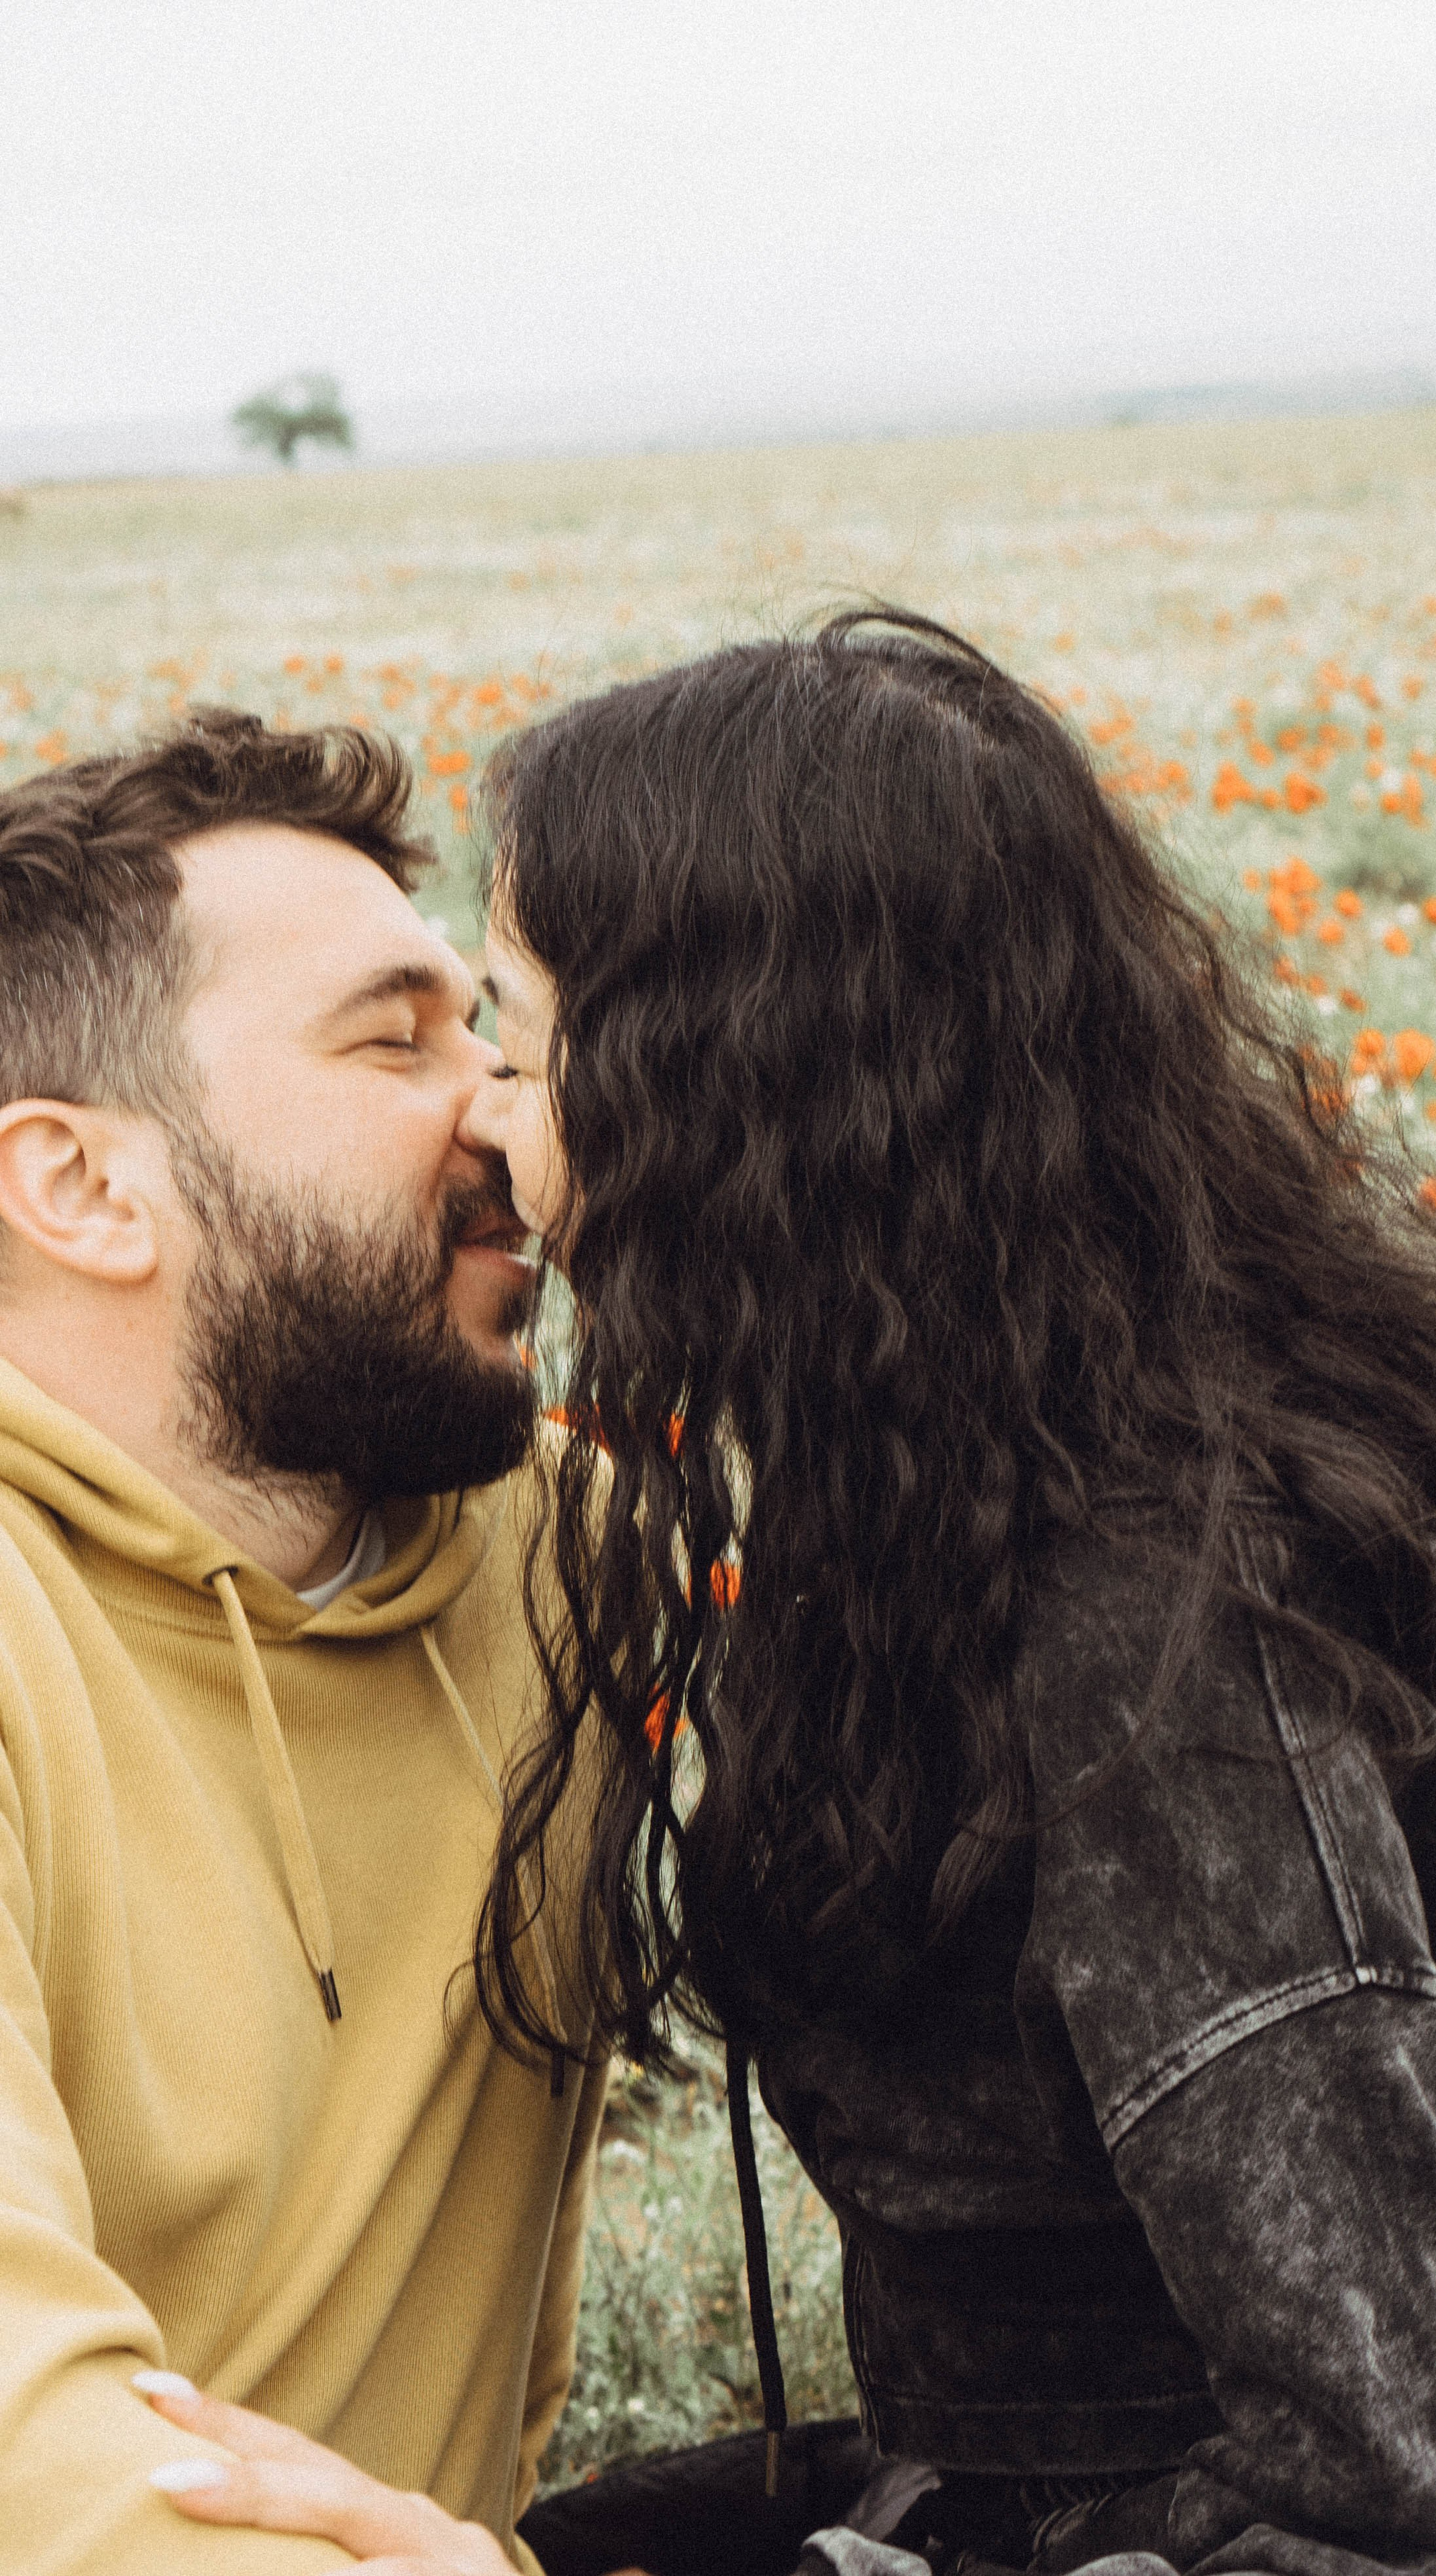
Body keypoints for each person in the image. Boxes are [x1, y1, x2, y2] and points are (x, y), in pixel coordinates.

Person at [169, 610, 1436, 2576]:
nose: (485, 1114)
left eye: (523, 1044)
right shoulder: (922, 1480)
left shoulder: (1165, 1652)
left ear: (740, 1094)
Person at [0, 713, 605, 2575]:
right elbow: (33, 2473)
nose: (501, 1109)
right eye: (394, 1041)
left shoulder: (571, 1554)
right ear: (84, 1188)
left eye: (489, 1034)